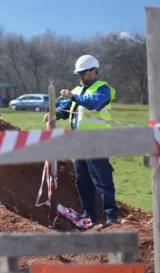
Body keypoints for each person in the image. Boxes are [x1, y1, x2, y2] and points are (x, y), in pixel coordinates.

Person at [45, 54, 118, 226]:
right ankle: (89, 214)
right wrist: (53, 112)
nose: (81, 76)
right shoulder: (77, 91)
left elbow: (95, 103)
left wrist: (73, 97)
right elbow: (65, 110)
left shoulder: (104, 89)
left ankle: (111, 216)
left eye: (84, 73)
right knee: (82, 180)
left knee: (102, 180)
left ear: (94, 71)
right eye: (79, 73)